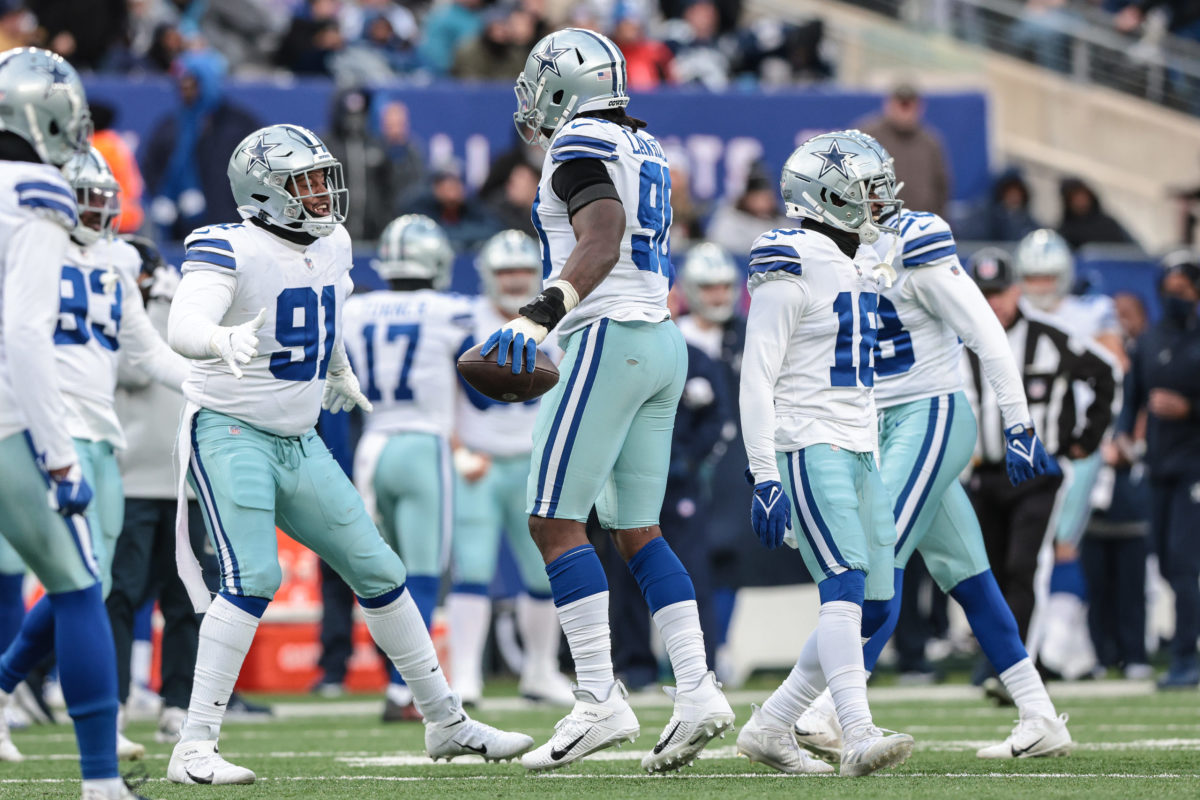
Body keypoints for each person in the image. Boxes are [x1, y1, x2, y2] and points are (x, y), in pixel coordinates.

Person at [163, 123, 533, 785]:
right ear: (265, 189)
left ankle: (443, 717)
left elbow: (328, 310)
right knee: (253, 578)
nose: (321, 193)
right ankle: (193, 744)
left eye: (321, 178)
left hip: (298, 437)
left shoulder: (332, 243)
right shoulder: (229, 246)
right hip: (230, 428)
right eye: (304, 182)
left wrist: (335, 368)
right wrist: (216, 341)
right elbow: (184, 322)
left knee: (381, 569)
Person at [484, 28, 734, 773]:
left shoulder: (576, 145)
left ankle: (597, 697)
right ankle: (696, 687)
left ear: (564, 86)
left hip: (609, 337)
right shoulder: (644, 146)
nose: (531, 100)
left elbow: (602, 233)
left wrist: (541, 312)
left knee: (553, 521)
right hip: (660, 337)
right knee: (637, 530)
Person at [790, 132, 1070, 764]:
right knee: (967, 575)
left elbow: (985, 332)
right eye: (860, 188)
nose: (876, 196)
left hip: (930, 413)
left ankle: (823, 707)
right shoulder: (828, 253)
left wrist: (1018, 422)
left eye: (873, 184)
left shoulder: (913, 240)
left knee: (870, 556)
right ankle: (1039, 713)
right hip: (871, 423)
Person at [734, 132, 912, 777]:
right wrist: (763, 472)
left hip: (859, 444)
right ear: (830, 195)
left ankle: (774, 724)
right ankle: (856, 731)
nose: (878, 200)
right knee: (842, 588)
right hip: (808, 443)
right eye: (867, 189)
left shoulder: (858, 260)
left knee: (879, 605)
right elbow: (757, 375)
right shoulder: (791, 259)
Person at [0, 46, 149, 800]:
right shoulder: (35, 189)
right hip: (8, 423)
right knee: (77, 588)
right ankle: (100, 783)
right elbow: (23, 334)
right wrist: (57, 453)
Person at [962, 247, 1116, 684]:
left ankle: (1016, 665)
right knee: (987, 572)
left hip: (1036, 474)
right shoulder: (958, 340)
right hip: (983, 472)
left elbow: (1106, 374)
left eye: (999, 292)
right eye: (984, 292)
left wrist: (1085, 440)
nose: (993, 302)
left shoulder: (1052, 336)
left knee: (1023, 566)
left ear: (1016, 291)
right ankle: (998, 659)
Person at [340, 213, 472, 722]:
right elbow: (480, 381)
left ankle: (395, 682)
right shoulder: (450, 309)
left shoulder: (358, 309)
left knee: (381, 577)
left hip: (372, 448)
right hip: (423, 446)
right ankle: (405, 690)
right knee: (421, 575)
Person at [446, 230, 573, 707]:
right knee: (472, 570)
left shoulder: (557, 327)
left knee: (544, 572)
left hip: (534, 458)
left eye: (523, 271)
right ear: (487, 276)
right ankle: (465, 674)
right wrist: (457, 446)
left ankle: (540, 670)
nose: (516, 280)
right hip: (477, 460)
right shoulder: (462, 322)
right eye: (505, 272)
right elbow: (441, 395)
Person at [109, 237, 222, 745]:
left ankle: (177, 702)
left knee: (186, 597)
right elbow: (132, 369)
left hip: (184, 480)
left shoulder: (182, 301)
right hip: (129, 476)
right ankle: (112, 702)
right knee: (121, 593)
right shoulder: (113, 304)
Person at [1012, 228, 1124, 676]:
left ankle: (1057, 646)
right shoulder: (1010, 313)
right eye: (1032, 277)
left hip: (1074, 444)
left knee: (1062, 544)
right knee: (1024, 549)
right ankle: (1054, 645)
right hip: (1021, 444)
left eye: (1048, 276)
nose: (1040, 285)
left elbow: (1116, 365)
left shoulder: (1090, 311)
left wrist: (1099, 435)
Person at [1118, 251, 1200, 689]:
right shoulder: (1149, 341)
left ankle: (1187, 655)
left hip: (1194, 466)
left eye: (1183, 291)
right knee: (1167, 564)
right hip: (1159, 465)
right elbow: (1132, 397)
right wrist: (1121, 433)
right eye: (1169, 291)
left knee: (1185, 564)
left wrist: (1189, 408)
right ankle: (1187, 647)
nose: (1175, 298)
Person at [1083, 291, 1152, 680]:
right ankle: (1102, 654)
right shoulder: (1088, 382)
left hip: (1129, 491)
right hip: (1093, 495)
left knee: (1131, 585)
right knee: (1097, 586)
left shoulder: (1137, 376)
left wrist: (1128, 445)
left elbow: (1142, 424)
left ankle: (1135, 654)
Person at [140, 50, 261, 240]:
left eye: (193, 86)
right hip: (181, 226)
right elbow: (152, 164)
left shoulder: (239, 124)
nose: (187, 93)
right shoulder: (171, 125)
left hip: (230, 224)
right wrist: (161, 194)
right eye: (182, 87)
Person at [859, 83, 951, 219]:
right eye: (901, 104)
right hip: (878, 224)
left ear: (919, 107)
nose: (904, 111)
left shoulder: (930, 142)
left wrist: (934, 219)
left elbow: (942, 186)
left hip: (920, 224)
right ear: (888, 105)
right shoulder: (868, 136)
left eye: (908, 105)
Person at [1057, 177, 1135, 250]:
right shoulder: (1066, 231)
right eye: (1075, 199)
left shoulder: (1109, 223)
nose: (1080, 202)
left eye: (1082, 197)